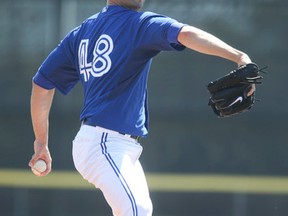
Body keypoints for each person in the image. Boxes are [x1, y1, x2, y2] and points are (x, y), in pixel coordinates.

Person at [29, 0, 255, 215]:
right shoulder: (137, 24)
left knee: (139, 210)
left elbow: (42, 84)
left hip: (115, 146)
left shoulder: (81, 33)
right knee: (137, 211)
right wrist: (238, 56)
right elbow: (186, 34)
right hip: (103, 143)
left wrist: (41, 143)